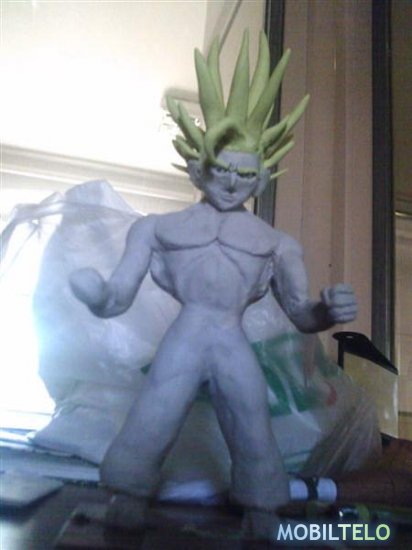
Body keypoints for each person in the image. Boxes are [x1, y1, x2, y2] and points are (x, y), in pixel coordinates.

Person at [70, 31, 357, 539]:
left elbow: (300, 313)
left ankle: (262, 506)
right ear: (198, 171)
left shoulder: (275, 243)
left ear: (260, 180)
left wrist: (328, 310)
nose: (230, 182)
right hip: (186, 336)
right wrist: (97, 295)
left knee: (251, 421)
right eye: (221, 169)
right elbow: (118, 296)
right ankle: (128, 494)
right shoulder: (157, 229)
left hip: (229, 338)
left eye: (244, 175)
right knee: (154, 413)